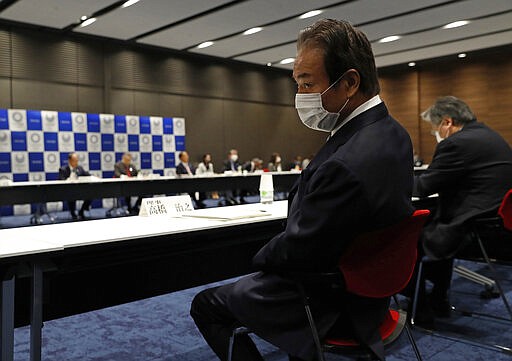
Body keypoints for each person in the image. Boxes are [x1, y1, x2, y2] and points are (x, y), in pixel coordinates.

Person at [190, 18, 414, 361]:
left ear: (350, 82)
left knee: (206, 305)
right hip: (372, 290)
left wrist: (254, 256)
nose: (300, 96)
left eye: (307, 84)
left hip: (326, 297)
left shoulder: (348, 160)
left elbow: (299, 251)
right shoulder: (394, 134)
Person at [405, 96, 512, 326]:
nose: (436, 133)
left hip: (475, 232)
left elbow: (423, 187)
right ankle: (439, 298)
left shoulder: (457, 143)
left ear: (447, 122)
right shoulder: (491, 136)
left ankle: (420, 305)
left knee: (406, 237)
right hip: (496, 226)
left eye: (435, 128)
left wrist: (392, 180)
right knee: (434, 222)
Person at [58, 152, 92, 220]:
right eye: (75, 160)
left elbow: (87, 175)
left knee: (91, 194)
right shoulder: (63, 169)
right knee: (72, 195)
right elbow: (61, 180)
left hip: (80, 189)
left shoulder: (79, 168)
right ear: (70, 161)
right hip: (68, 191)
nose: (76, 162)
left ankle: (81, 211)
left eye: (77, 160)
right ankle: (73, 213)